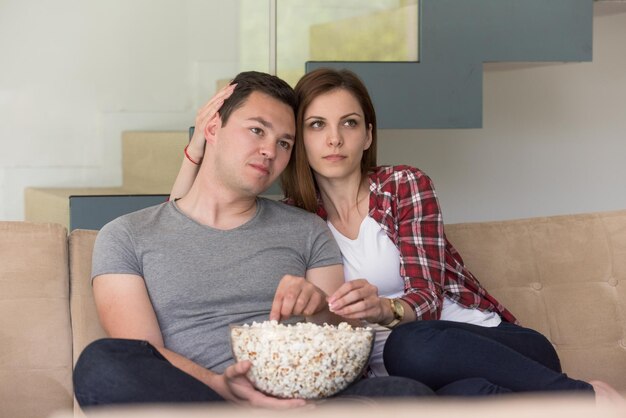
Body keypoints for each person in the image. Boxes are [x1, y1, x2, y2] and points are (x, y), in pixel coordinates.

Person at [172, 68, 624, 403]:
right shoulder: (296, 221)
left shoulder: (402, 185)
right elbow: (181, 223)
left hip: (493, 346)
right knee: (458, 399)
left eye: (349, 123)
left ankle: (589, 397)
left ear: (368, 135)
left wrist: (385, 309)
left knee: (411, 344)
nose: (334, 140)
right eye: (317, 126)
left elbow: (427, 297)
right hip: (410, 377)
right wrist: (198, 146)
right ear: (299, 143)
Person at [72, 71, 434, 409]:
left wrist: (320, 307)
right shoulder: (126, 235)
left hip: (300, 400)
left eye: (285, 143)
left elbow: (339, 340)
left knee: (410, 395)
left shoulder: (308, 230)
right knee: (102, 362)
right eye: (257, 131)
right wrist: (220, 385)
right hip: (198, 397)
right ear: (213, 127)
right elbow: (144, 349)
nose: (269, 151)